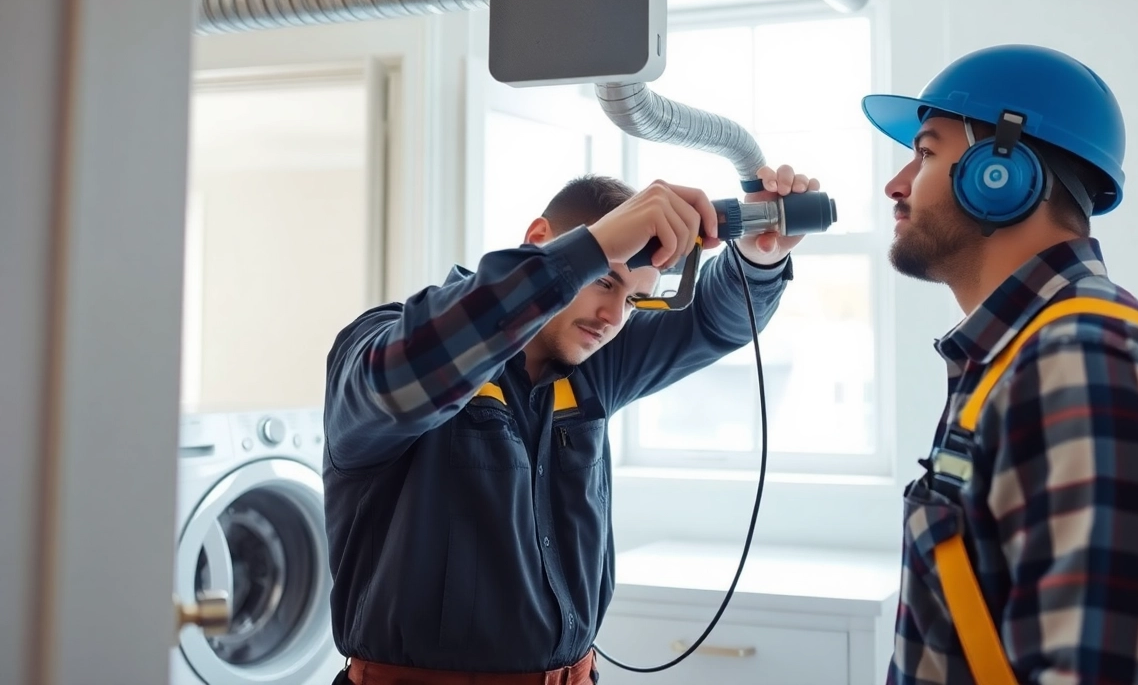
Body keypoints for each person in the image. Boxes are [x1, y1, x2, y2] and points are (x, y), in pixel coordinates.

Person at [862, 44, 1138, 684]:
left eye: (926, 153)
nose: (896, 183)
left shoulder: (1083, 368)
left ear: (999, 174)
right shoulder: (1025, 357)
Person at [321, 166, 819, 685]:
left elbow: (712, 320)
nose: (613, 317)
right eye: (604, 281)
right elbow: (410, 375)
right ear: (539, 239)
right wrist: (591, 249)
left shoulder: (593, 367)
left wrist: (760, 256)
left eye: (633, 299)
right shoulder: (383, 347)